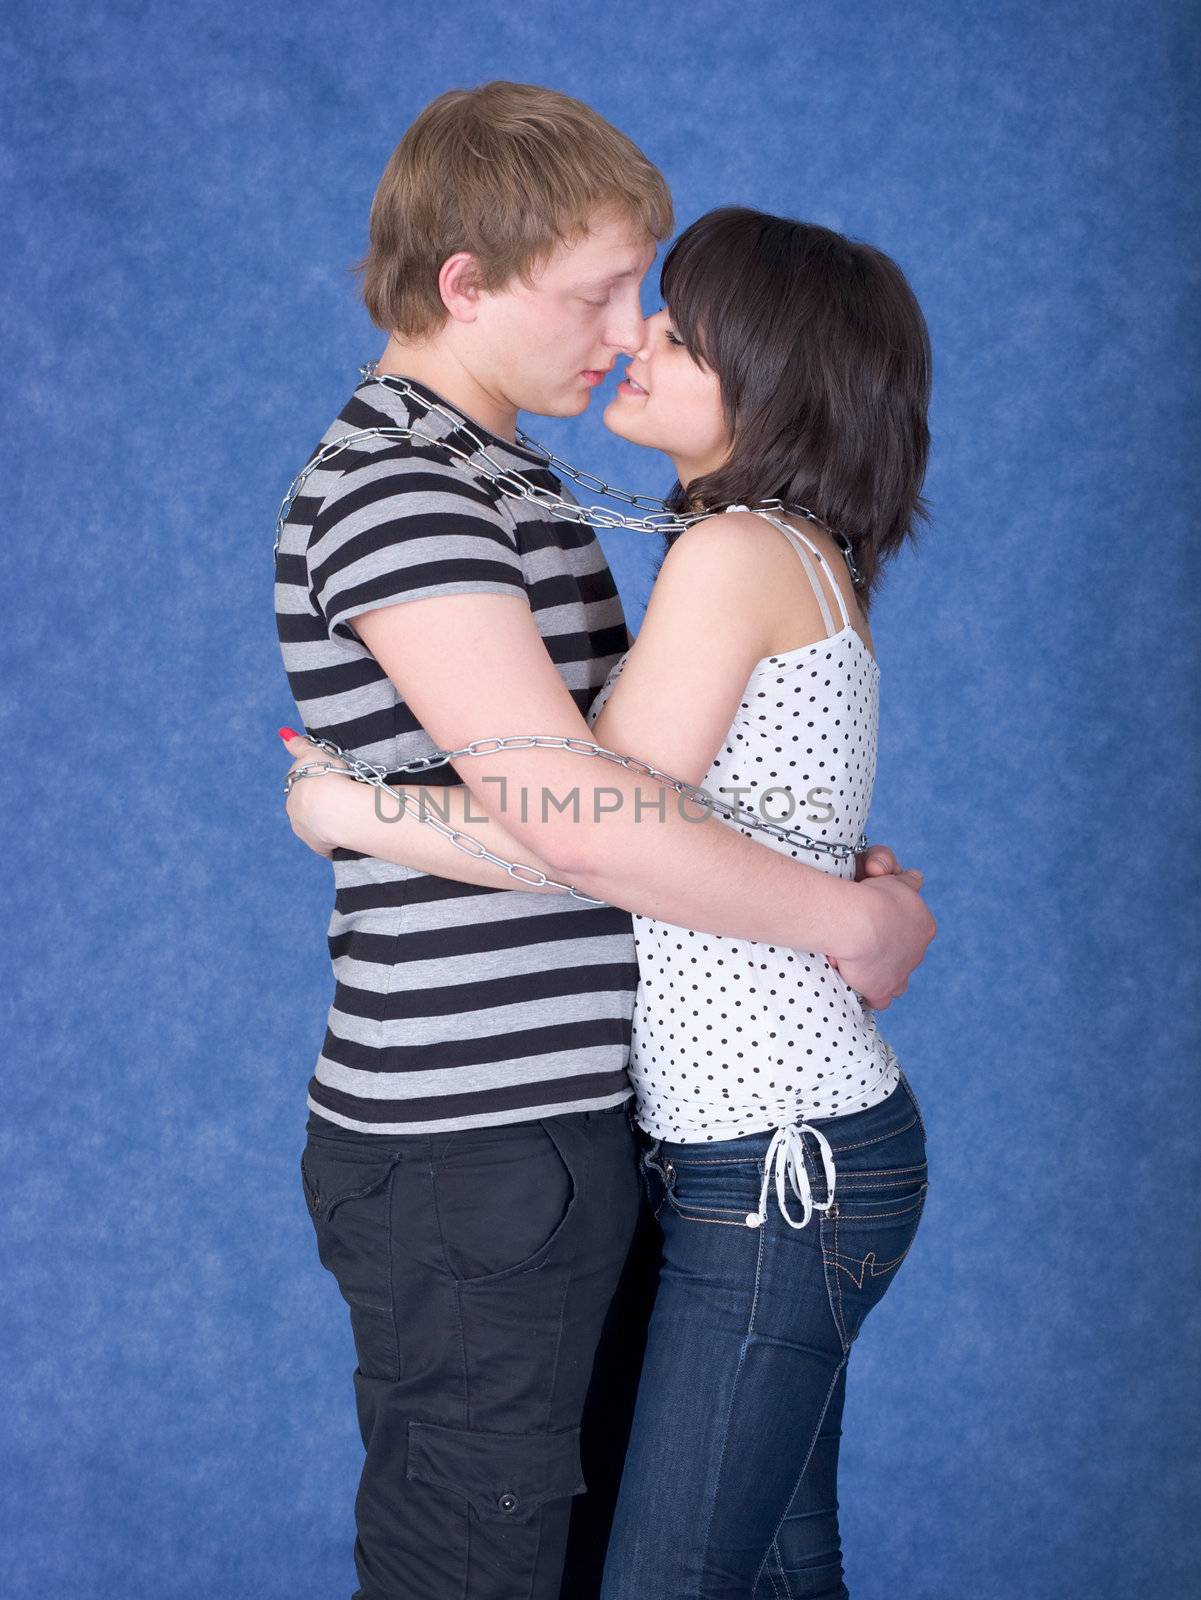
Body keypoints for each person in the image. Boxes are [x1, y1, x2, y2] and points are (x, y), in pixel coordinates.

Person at [275, 79, 935, 1600]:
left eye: (663, 309)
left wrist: (354, 806)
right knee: (500, 1558)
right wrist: (827, 911)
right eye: (601, 292)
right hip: (478, 1139)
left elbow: (629, 805)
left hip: (638, 1135)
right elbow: (586, 818)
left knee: (675, 1559)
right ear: (467, 285)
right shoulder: (405, 491)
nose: (628, 327)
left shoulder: (541, 489)